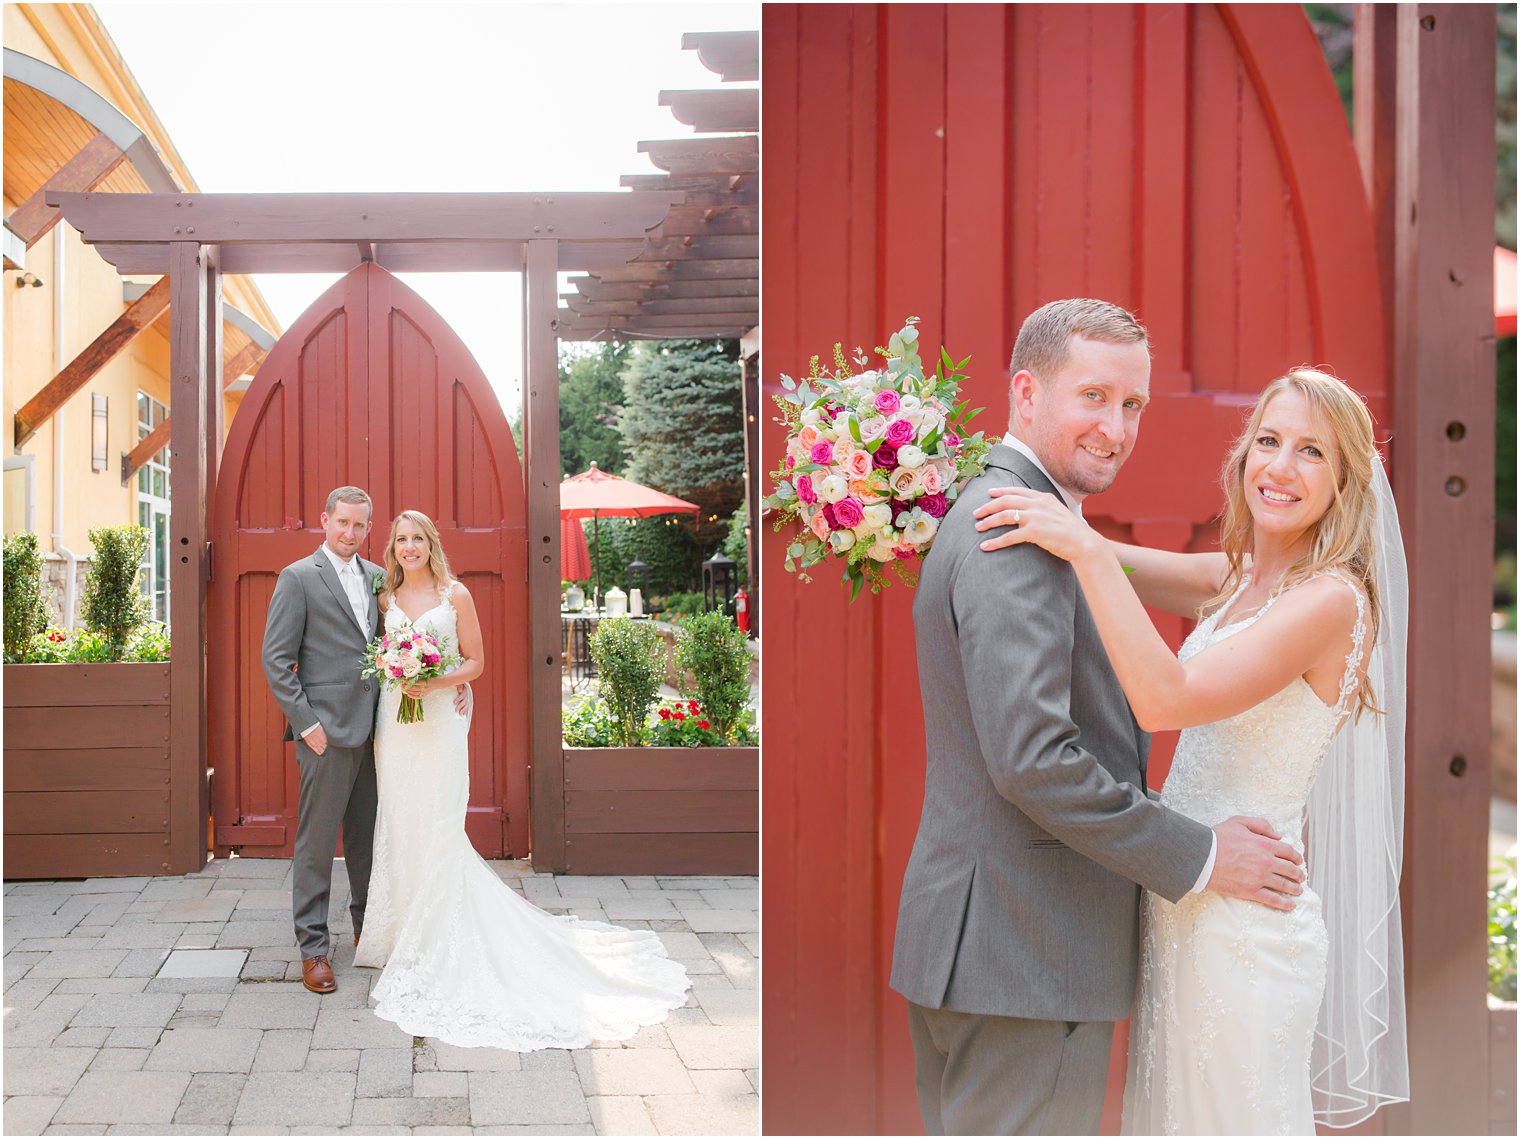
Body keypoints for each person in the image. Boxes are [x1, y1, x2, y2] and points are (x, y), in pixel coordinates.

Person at [888, 299, 1311, 1136]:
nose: (1115, 428)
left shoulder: (1031, 518)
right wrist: (1201, 853)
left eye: (1133, 405)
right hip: (1027, 955)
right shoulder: (1017, 537)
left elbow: (1221, 581)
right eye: (1094, 397)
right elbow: (1035, 760)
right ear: (1026, 393)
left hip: (995, 948)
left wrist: (1089, 545)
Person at [974, 366, 1408, 1132]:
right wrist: (1029, 498)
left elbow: (1165, 696)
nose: (1279, 466)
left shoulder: (1329, 600)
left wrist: (1087, 548)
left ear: (1346, 481)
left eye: (1311, 452)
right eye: (1268, 440)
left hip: (1246, 928)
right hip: (1186, 911)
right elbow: (1127, 565)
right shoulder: (1241, 577)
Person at [353, 510, 692, 1049]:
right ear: (391, 548)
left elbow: (476, 663)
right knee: (399, 821)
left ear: (431, 544)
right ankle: (400, 934)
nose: (409, 547)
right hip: (394, 726)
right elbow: (378, 657)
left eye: (417, 538)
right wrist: (402, 674)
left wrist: (436, 679)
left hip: (439, 724)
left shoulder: (454, 594)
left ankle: (440, 937)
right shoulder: (385, 600)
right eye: (401, 540)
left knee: (439, 824)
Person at [262, 486, 470, 995]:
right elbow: (276, 661)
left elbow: (417, 640)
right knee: (315, 844)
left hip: (382, 730)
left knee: (368, 839)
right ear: (325, 520)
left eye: (360, 526)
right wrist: (307, 725)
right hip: (324, 735)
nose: (350, 533)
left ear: (369, 528)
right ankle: (313, 948)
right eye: (342, 523)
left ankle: (365, 928)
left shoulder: (382, 580)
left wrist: (456, 680)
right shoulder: (298, 578)